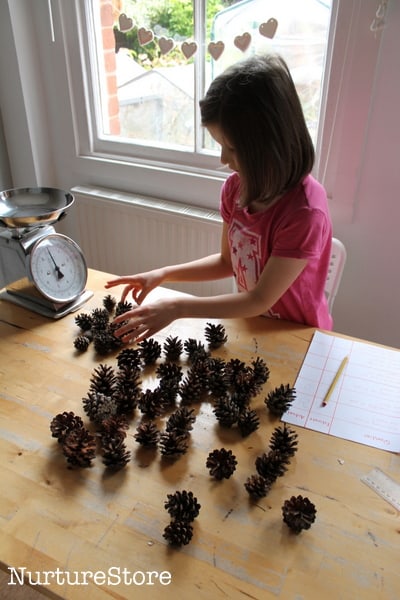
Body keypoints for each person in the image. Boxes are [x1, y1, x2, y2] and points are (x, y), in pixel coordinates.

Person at [105, 54, 333, 344]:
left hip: (300, 338)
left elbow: (260, 298)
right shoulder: (236, 190)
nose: (224, 159)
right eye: (220, 146)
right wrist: (163, 274)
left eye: (233, 148)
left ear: (271, 145)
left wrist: (178, 306)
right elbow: (228, 262)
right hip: (252, 327)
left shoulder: (305, 212)